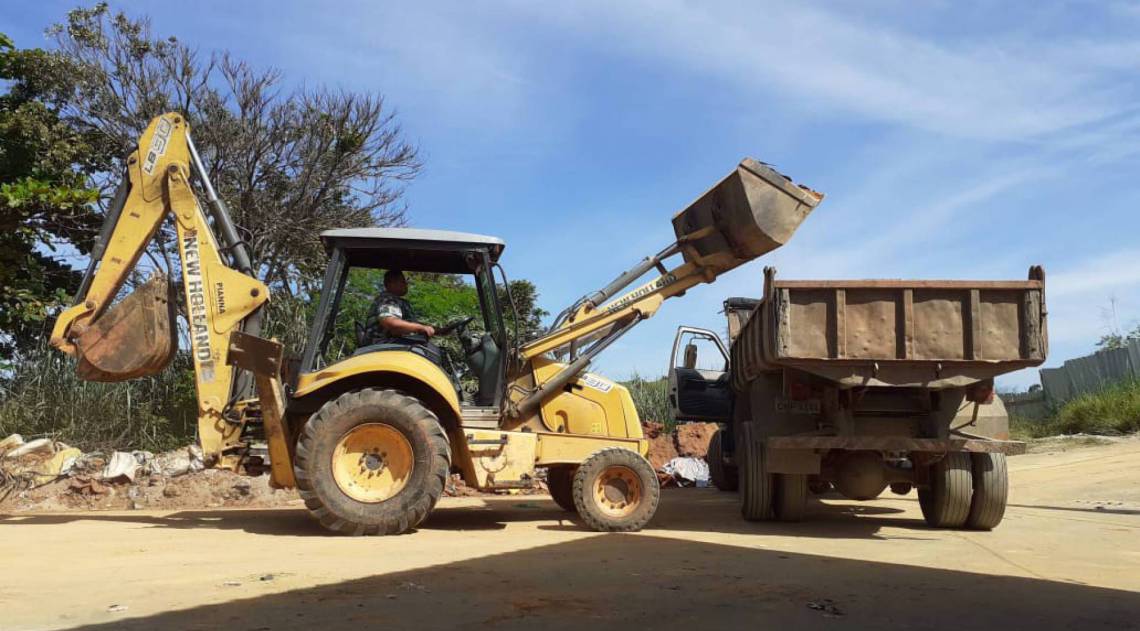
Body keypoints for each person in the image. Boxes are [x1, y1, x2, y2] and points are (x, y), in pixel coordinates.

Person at [367, 270, 435, 343]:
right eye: (403, 281)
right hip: (382, 346)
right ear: (391, 284)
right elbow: (390, 322)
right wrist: (420, 328)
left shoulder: (399, 301)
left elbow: (411, 324)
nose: (406, 284)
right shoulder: (388, 299)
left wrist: (436, 330)